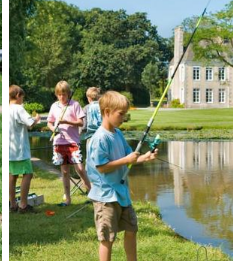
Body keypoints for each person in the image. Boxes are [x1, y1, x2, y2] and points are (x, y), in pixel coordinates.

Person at [85, 91, 158, 261]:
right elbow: (102, 167)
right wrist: (126, 159)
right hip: (105, 197)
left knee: (131, 230)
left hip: (122, 194)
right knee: (107, 238)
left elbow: (129, 157)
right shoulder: (99, 138)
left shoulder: (117, 134)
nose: (123, 118)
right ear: (107, 112)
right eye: (121, 114)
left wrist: (145, 157)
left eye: (125, 114)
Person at [47, 81, 91, 206]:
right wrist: (53, 129)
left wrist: (66, 121)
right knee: (65, 171)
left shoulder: (75, 105)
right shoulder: (54, 106)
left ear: (68, 93)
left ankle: (92, 195)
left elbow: (81, 123)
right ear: (56, 94)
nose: (62, 97)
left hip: (73, 142)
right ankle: (67, 199)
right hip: (59, 142)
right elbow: (49, 122)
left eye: (64, 94)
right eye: (59, 94)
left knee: (80, 169)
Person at [8, 85, 39, 214]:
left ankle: (12, 204)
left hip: (9, 150)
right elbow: (30, 122)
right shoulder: (18, 109)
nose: (23, 100)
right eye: (22, 97)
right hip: (20, 150)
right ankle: (23, 205)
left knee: (12, 176)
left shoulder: (7, 109)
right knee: (28, 174)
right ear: (17, 96)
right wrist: (36, 119)